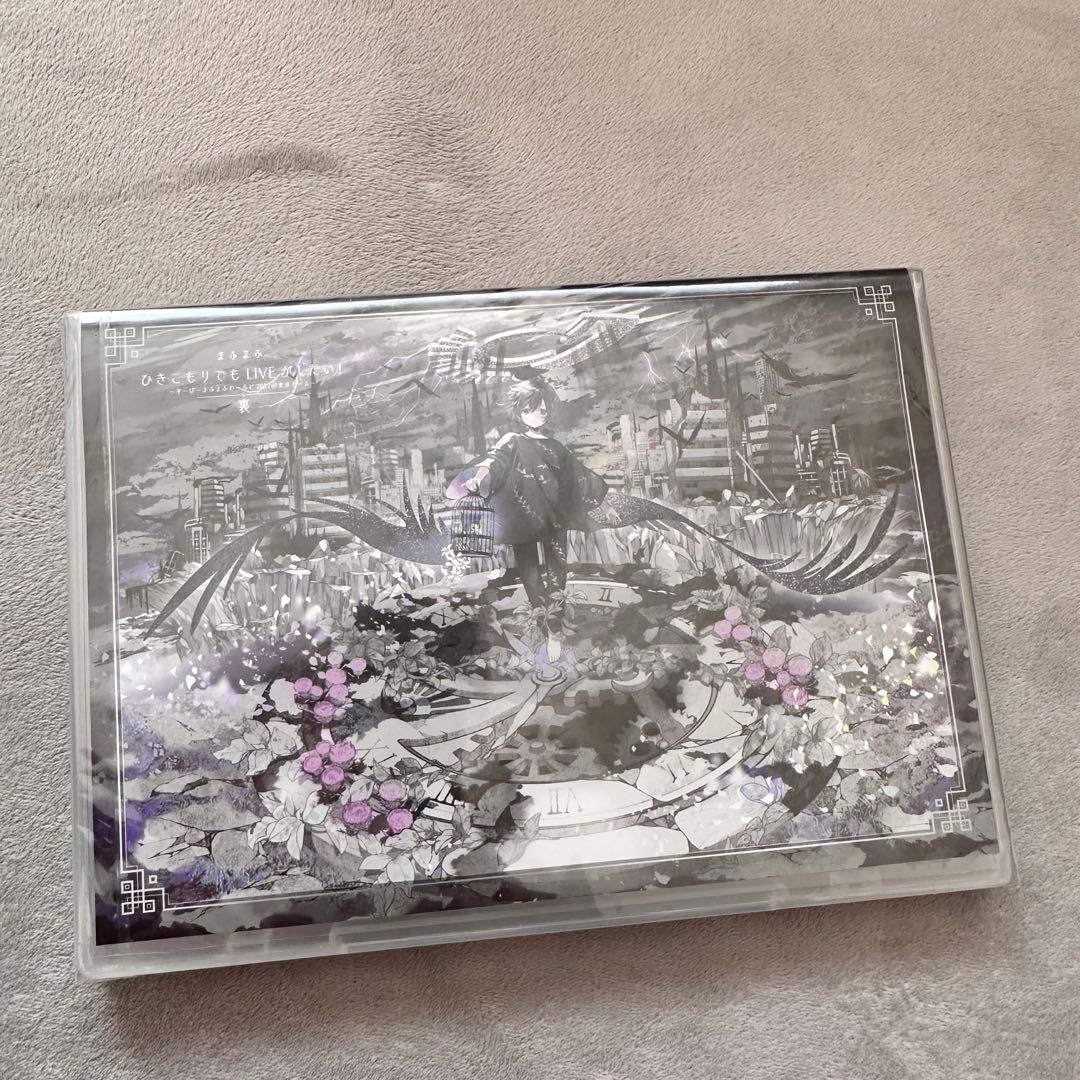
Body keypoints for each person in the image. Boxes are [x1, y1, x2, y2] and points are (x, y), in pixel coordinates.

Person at [449, 376, 612, 664]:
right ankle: (545, 625)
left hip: (554, 518)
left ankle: (555, 628)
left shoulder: (557, 447)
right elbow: (493, 460)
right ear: (521, 411)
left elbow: (580, 477)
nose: (540, 413)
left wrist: (605, 502)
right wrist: (479, 477)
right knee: (530, 574)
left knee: (558, 571)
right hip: (523, 519)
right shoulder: (512, 440)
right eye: (532, 408)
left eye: (544, 408)